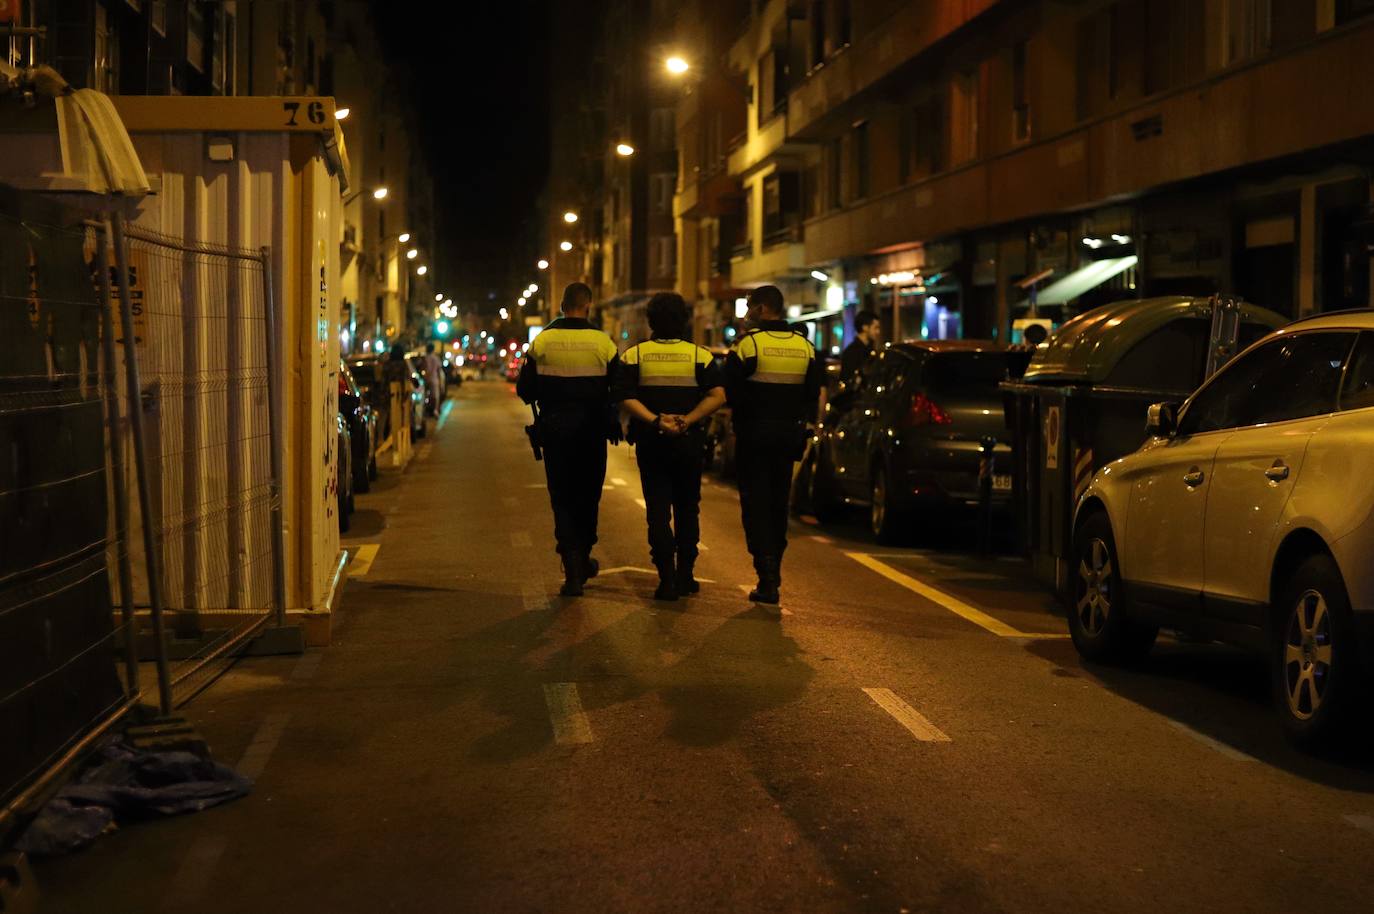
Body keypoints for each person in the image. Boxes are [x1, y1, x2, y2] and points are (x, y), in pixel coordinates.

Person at [614, 293, 726, 601]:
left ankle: (665, 580)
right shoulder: (699, 356)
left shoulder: (635, 356)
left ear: (650, 320)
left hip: (652, 443)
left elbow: (623, 396)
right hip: (688, 443)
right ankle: (685, 576)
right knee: (688, 509)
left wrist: (654, 421)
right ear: (684, 321)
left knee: (658, 511)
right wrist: (687, 420)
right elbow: (717, 395)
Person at [516, 282, 621, 596]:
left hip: (556, 432)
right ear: (588, 305)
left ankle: (572, 567)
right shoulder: (604, 343)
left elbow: (525, 391)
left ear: (561, 306)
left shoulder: (543, 341)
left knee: (561, 496)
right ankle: (584, 554)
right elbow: (618, 389)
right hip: (592, 433)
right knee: (589, 496)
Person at [725, 285, 823, 605]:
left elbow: (732, 393)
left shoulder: (747, 346)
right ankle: (773, 570)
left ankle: (765, 572)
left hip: (753, 438)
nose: (747, 313)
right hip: (787, 438)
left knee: (755, 504)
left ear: (764, 309)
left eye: (750, 307)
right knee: (779, 503)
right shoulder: (806, 347)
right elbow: (812, 395)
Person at [840, 309, 881, 386]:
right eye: (876, 328)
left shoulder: (872, 350)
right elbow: (848, 381)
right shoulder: (851, 352)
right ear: (865, 327)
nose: (878, 332)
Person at [423, 342, 445, 416]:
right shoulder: (436, 358)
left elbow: (424, 369)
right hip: (434, 379)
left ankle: (425, 409)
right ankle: (435, 410)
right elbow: (439, 370)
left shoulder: (426, 358)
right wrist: (441, 381)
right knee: (435, 395)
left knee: (425, 395)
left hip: (426, 379)